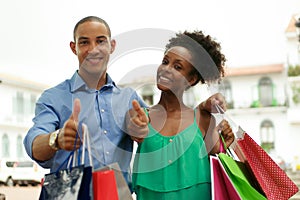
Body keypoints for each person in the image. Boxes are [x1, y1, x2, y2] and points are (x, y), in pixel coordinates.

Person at [23, 15, 228, 191]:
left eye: (101, 41)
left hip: (118, 195)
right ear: (73, 47)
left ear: (112, 46)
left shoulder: (129, 99)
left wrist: (202, 110)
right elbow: (34, 143)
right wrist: (56, 139)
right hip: (70, 194)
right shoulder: (53, 97)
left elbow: (154, 129)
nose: (93, 49)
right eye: (84, 42)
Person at [129, 30, 235, 199]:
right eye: (165, 62)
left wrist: (224, 146)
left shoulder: (203, 120)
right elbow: (133, 129)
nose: (166, 69)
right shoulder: (143, 117)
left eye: (177, 67)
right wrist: (135, 127)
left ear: (191, 79)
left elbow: (217, 162)